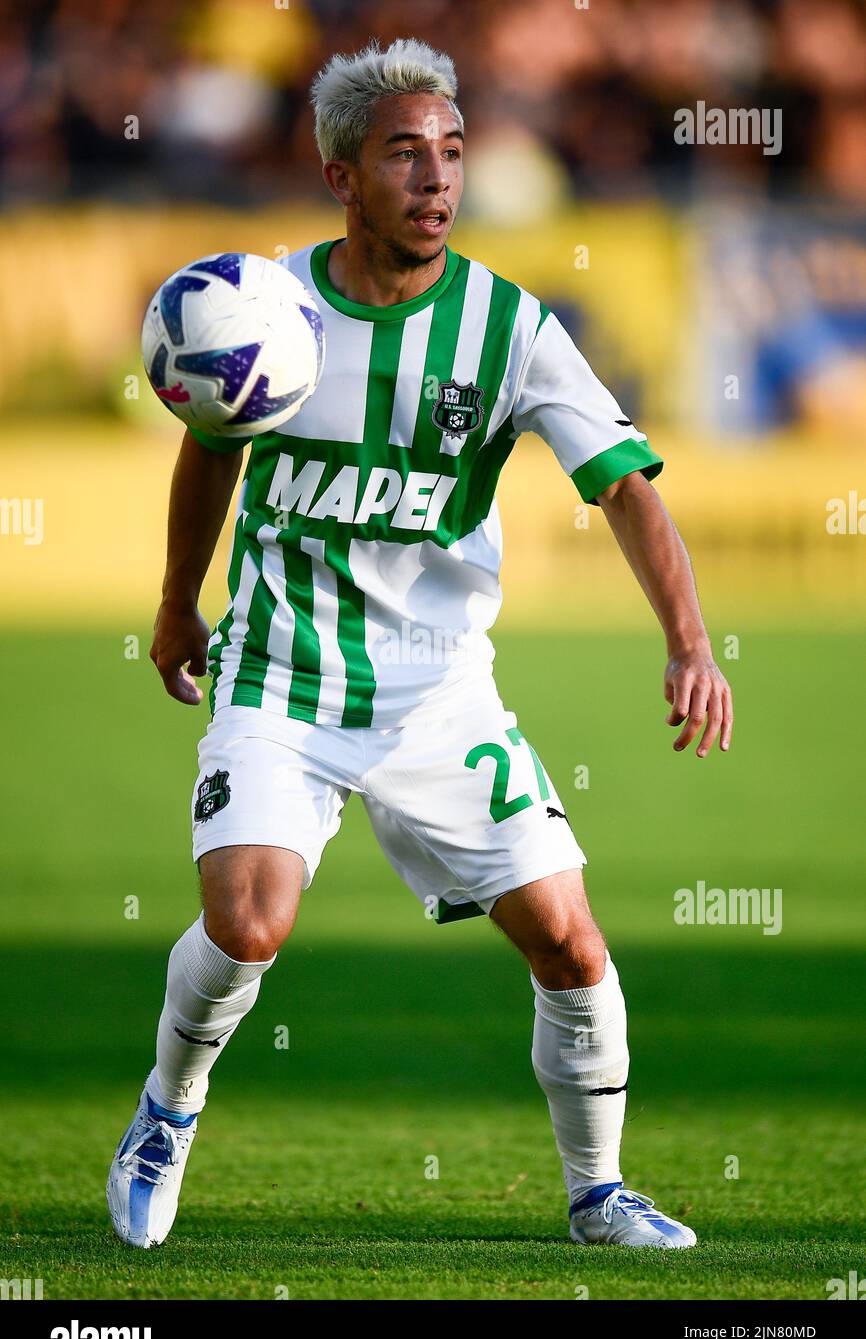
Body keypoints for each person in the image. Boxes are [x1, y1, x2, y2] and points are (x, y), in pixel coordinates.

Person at [107, 37, 732, 1251]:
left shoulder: (508, 328)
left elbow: (624, 488)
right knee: (248, 922)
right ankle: (165, 1113)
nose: (436, 179)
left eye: (450, 153)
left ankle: (597, 1191)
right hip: (282, 672)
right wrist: (178, 602)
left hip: (441, 694)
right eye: (404, 155)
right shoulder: (265, 307)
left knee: (568, 937)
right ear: (341, 174)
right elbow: (210, 450)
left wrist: (689, 640)